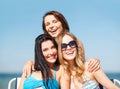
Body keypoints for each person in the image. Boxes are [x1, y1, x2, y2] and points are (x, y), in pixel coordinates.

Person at [23, 10, 100, 77]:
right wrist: (29, 62)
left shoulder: (76, 43)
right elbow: (41, 62)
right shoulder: (47, 45)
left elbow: (81, 65)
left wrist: (95, 60)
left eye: (55, 22)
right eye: (47, 24)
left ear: (62, 23)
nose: (51, 26)